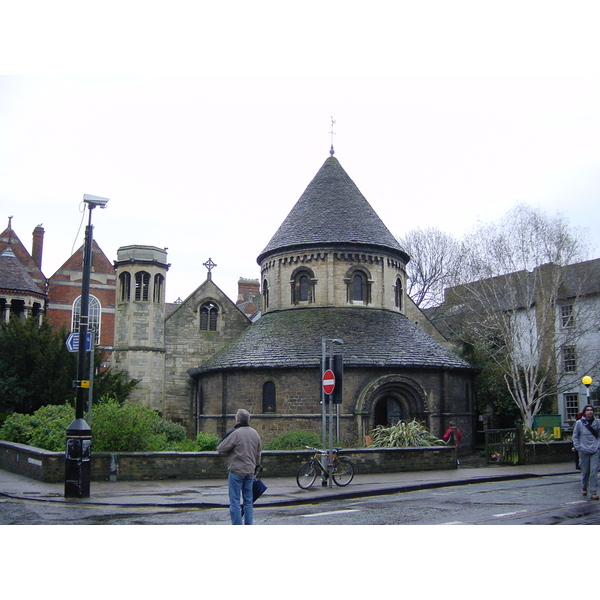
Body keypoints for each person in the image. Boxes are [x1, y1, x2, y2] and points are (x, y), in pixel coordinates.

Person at [217, 409, 262, 524]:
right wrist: (256, 468)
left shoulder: (236, 433)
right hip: (250, 472)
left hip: (236, 472)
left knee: (235, 501)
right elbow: (258, 453)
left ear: (237, 419)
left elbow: (220, 449)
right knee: (248, 501)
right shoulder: (255, 433)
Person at [573, 404, 600, 500]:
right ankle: (584, 487)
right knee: (585, 471)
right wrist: (578, 447)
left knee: (594, 471)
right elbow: (575, 436)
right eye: (588, 410)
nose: (590, 411)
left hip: (595, 450)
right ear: (584, 412)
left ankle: (593, 492)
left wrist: (598, 446)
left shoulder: (598, 422)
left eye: (591, 410)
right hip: (583, 450)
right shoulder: (579, 423)